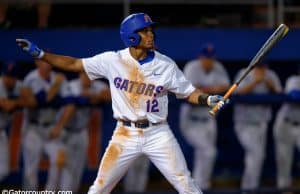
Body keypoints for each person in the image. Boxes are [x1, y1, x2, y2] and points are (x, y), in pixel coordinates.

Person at [16, 12, 227, 194]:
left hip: (158, 133)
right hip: (125, 134)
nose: (150, 34)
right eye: (144, 31)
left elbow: (188, 92)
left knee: (185, 183)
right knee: (99, 188)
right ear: (131, 36)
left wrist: (207, 99)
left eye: (151, 30)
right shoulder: (113, 60)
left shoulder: (166, 64)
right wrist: (41, 54)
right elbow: (74, 64)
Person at [179, 44, 230, 189]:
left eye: (211, 57)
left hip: (209, 119)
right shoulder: (192, 67)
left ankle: (199, 187)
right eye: (206, 57)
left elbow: (225, 86)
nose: (208, 61)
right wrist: (211, 92)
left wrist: (205, 90)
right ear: (200, 57)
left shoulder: (218, 67)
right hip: (191, 119)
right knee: (209, 152)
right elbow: (190, 93)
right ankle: (199, 186)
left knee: (204, 154)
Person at [20, 59, 73, 190]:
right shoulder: (30, 79)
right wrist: (56, 86)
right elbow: (41, 101)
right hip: (33, 128)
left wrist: (59, 126)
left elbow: (70, 104)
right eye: (43, 61)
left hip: (51, 128)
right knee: (30, 169)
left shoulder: (59, 78)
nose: (47, 64)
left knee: (58, 161)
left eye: (49, 61)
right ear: (37, 63)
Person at [54, 72, 110, 192]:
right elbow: (71, 106)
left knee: (78, 167)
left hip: (81, 131)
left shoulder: (96, 86)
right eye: (85, 75)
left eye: (90, 76)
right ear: (80, 76)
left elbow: (109, 95)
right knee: (65, 167)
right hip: (64, 130)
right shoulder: (71, 85)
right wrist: (59, 128)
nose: (88, 79)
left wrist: (90, 95)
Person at [233, 62, 282, 190]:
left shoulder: (269, 75)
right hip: (244, 124)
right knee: (256, 154)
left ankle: (250, 188)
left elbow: (279, 92)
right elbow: (236, 93)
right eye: (258, 67)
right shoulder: (244, 73)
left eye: (263, 67)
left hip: (262, 124)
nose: (261, 70)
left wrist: (267, 82)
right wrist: (255, 82)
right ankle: (248, 188)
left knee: (256, 157)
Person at [273, 65, 300, 189]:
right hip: (285, 125)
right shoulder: (293, 80)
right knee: (284, 162)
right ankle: (284, 190)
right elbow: (294, 95)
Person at [0, 61, 23, 183]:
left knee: (3, 171)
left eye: (12, 77)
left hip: (1, 132)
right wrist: (19, 101)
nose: (8, 80)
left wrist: (17, 101)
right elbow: (6, 106)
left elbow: (31, 100)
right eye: (6, 76)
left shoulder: (18, 86)